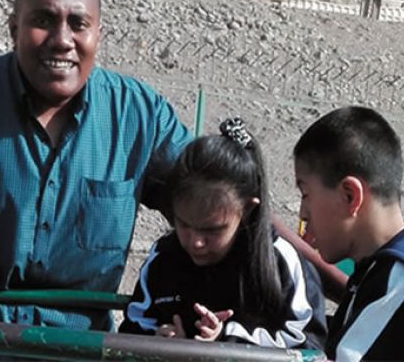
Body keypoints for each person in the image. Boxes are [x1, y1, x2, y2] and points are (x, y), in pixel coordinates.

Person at [0, 0, 193, 333]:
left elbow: (215, 200)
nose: (62, 39)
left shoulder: (139, 117)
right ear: (14, 29)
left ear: (98, 34)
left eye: (78, 24)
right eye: (43, 20)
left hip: (81, 348)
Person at [119, 117, 327, 350]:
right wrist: (157, 340)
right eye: (184, 224)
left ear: (247, 209)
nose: (195, 242)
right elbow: (134, 325)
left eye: (212, 230)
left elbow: (307, 343)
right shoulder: (164, 257)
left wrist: (226, 339)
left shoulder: (280, 263)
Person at [293, 106, 404, 361]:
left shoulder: (399, 281)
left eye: (305, 194)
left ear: (350, 195)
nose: (302, 213)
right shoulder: (375, 273)